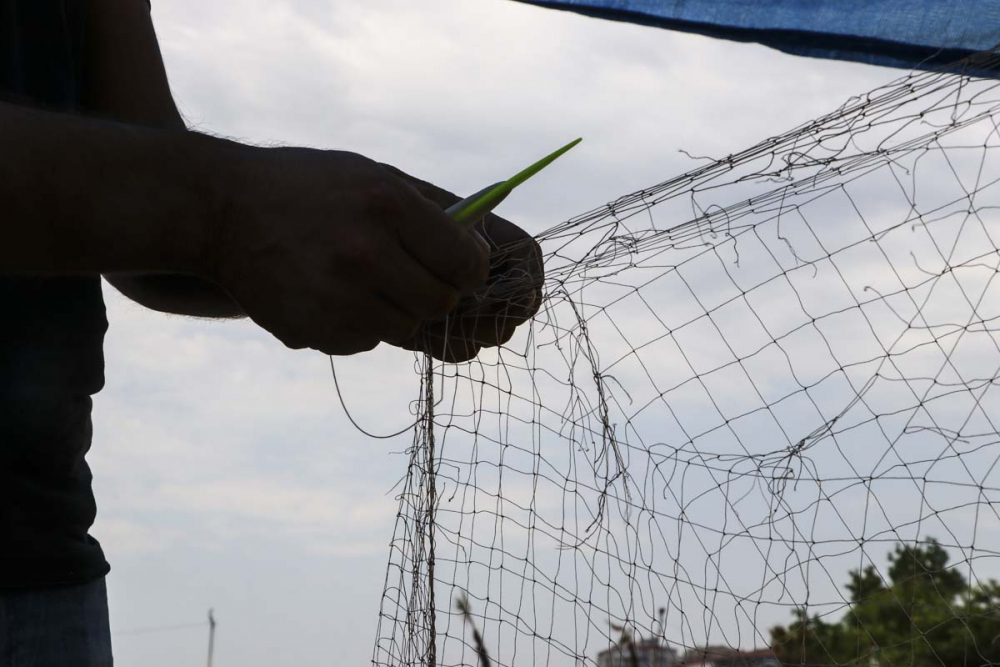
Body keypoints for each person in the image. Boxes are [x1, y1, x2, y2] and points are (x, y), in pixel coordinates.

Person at [0, 1, 543, 664]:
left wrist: (396, 244)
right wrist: (230, 211)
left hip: (46, 565)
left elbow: (146, 225)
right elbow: (201, 213)